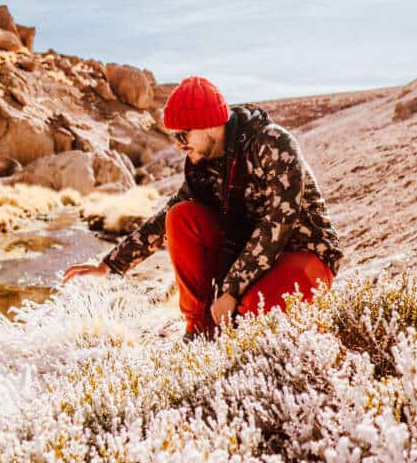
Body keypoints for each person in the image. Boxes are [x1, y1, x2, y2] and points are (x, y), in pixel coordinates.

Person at [62, 76, 343, 339]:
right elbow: (164, 221)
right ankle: (199, 331)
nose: (179, 145)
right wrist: (109, 264)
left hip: (305, 251)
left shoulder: (271, 143)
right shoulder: (205, 166)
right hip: (252, 258)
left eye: (183, 135)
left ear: (209, 124)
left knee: (247, 319)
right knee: (181, 215)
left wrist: (232, 290)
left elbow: (279, 223)